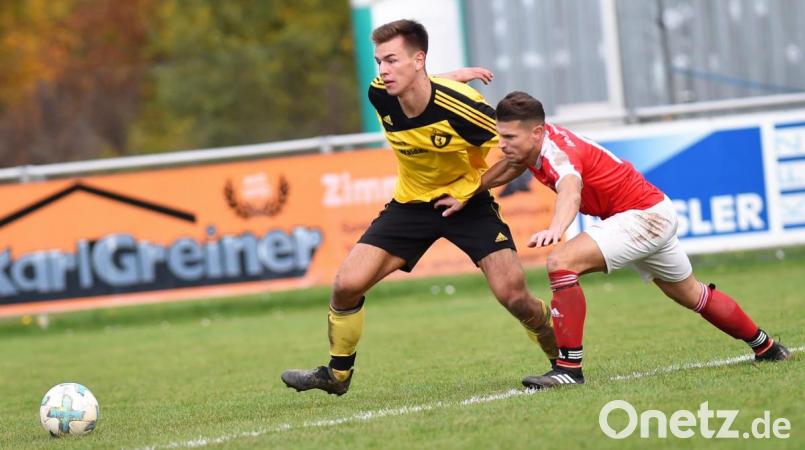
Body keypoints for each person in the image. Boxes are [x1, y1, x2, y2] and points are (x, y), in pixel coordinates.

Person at [440, 90, 791, 389]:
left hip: (643, 217)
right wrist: (468, 193)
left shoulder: (559, 154)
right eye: (500, 136)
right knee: (691, 294)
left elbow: (570, 190)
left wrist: (556, 228)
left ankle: (568, 369)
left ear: (536, 132)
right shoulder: (533, 146)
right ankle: (767, 347)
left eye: (510, 138)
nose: (502, 145)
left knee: (560, 263)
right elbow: (510, 165)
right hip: (652, 212)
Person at [280, 20, 557, 396]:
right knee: (346, 285)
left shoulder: (466, 109)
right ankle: (337, 375)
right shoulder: (380, 94)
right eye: (379, 61)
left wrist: (469, 190)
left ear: (418, 59)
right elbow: (416, 82)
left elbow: (520, 154)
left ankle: (563, 362)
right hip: (410, 205)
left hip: (468, 203)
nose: (383, 71)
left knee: (514, 296)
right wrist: (451, 74)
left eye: (392, 60)